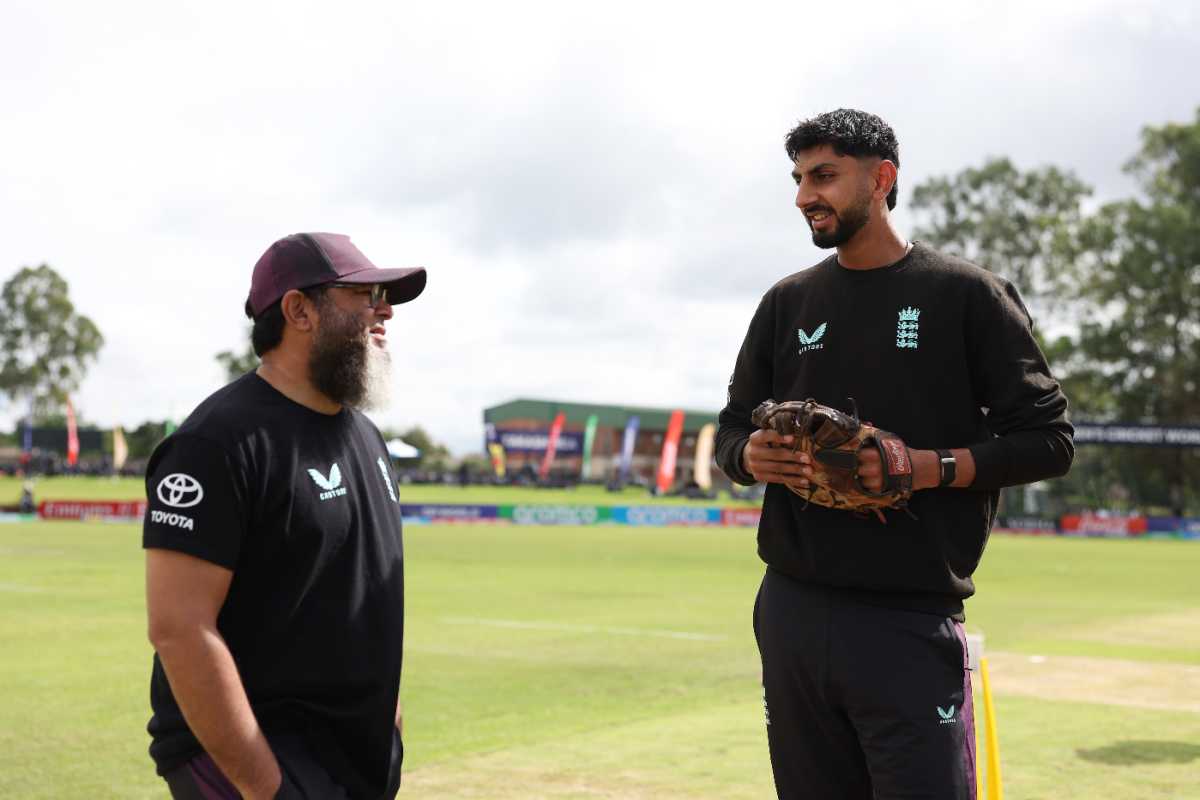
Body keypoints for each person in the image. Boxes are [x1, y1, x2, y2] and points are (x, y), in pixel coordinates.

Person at [714, 109, 1074, 800]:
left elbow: (1050, 441)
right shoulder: (786, 302)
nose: (803, 195)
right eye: (797, 179)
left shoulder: (966, 295)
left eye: (824, 176)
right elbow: (732, 427)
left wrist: (925, 465)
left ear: (882, 179)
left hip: (907, 616)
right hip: (790, 607)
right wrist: (750, 456)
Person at [142, 232, 427, 799]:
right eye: (365, 294)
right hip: (252, 762)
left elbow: (362, 594)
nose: (386, 309)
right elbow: (179, 629)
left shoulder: (367, 439)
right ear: (299, 310)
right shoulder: (217, 442)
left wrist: (387, 723)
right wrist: (263, 785)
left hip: (353, 759)